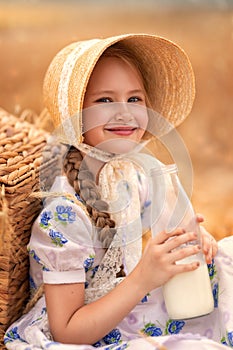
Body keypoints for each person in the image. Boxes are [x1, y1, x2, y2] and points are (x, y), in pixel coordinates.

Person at [4, 34, 233, 350]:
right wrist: (143, 278)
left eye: (135, 99)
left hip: (130, 309)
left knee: (229, 254)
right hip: (91, 334)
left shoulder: (129, 174)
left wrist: (197, 240)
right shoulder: (65, 215)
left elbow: (170, 225)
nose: (124, 113)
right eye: (105, 100)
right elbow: (67, 332)